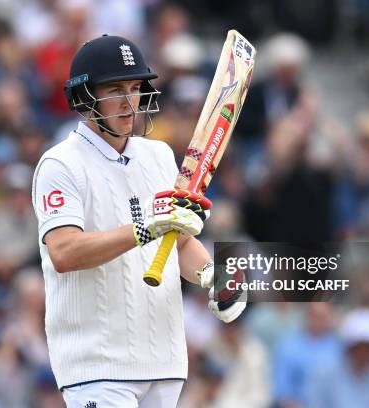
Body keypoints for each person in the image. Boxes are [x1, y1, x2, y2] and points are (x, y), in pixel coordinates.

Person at [31, 34, 245, 408]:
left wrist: (213, 276)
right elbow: (64, 252)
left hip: (164, 359)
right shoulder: (60, 164)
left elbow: (177, 242)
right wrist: (146, 227)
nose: (130, 101)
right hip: (97, 365)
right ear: (84, 97)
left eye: (135, 88)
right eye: (115, 89)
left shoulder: (159, 155)